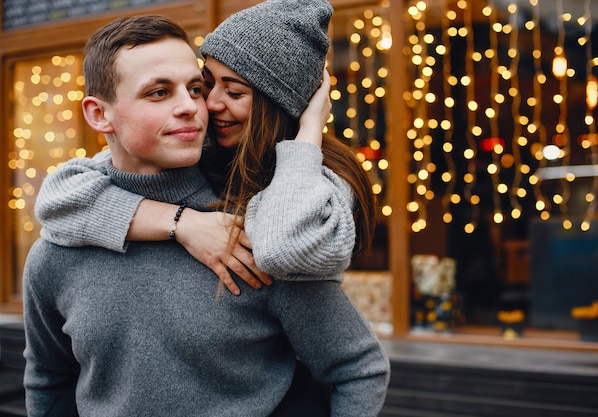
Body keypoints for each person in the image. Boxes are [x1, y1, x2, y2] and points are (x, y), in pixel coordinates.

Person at [23, 7, 389, 417]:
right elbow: (48, 381)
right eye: (159, 92)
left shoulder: (255, 233)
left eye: (195, 88)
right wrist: (180, 223)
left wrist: (308, 131)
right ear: (98, 114)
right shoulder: (58, 250)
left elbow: (356, 369)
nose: (196, 107)